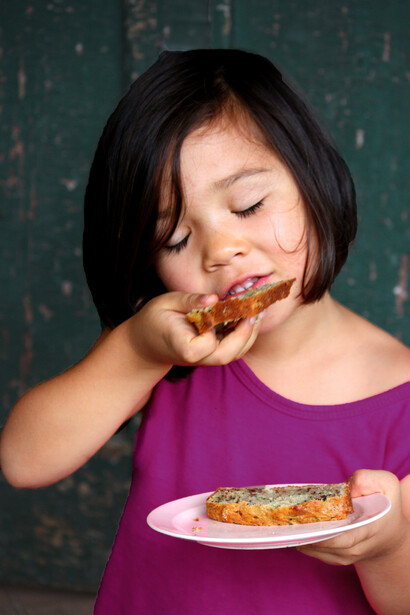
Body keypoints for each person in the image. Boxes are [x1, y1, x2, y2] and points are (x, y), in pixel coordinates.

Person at [0, 49, 409, 614]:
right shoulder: (164, 351)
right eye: (174, 239)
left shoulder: (401, 396)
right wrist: (136, 348)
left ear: (316, 179)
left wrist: (388, 545)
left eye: (249, 204)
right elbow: (24, 461)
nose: (221, 251)